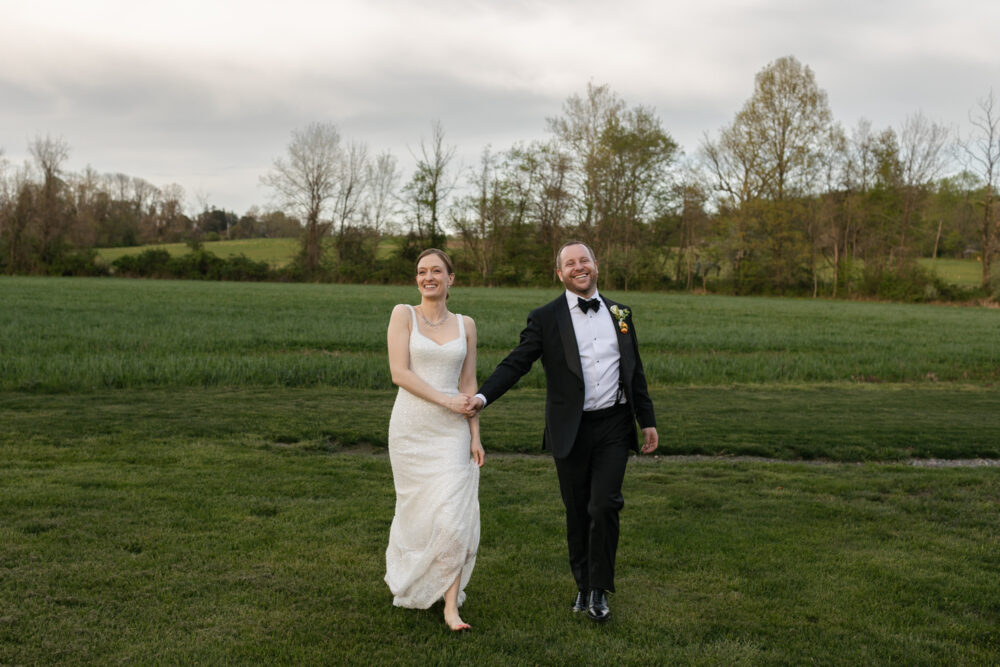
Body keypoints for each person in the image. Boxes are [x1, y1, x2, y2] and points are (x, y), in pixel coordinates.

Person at [467, 241, 657, 623]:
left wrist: (646, 419)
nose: (578, 267)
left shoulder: (621, 313)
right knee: (577, 510)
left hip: (615, 425)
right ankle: (583, 584)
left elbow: (634, 370)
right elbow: (516, 363)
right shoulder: (546, 317)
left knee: (604, 505)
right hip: (570, 429)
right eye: (569, 263)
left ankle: (600, 590)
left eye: (584, 260)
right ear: (560, 274)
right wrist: (483, 397)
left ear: (596, 265)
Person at [385, 248, 485, 632]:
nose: (428, 277)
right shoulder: (402, 315)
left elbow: (469, 384)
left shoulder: (466, 324)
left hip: (453, 432)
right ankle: (416, 578)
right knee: (418, 513)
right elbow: (399, 373)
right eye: (422, 272)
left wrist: (475, 433)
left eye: (436, 271)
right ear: (417, 280)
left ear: (451, 278)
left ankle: (450, 606)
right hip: (411, 428)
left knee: (454, 517)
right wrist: (445, 400)